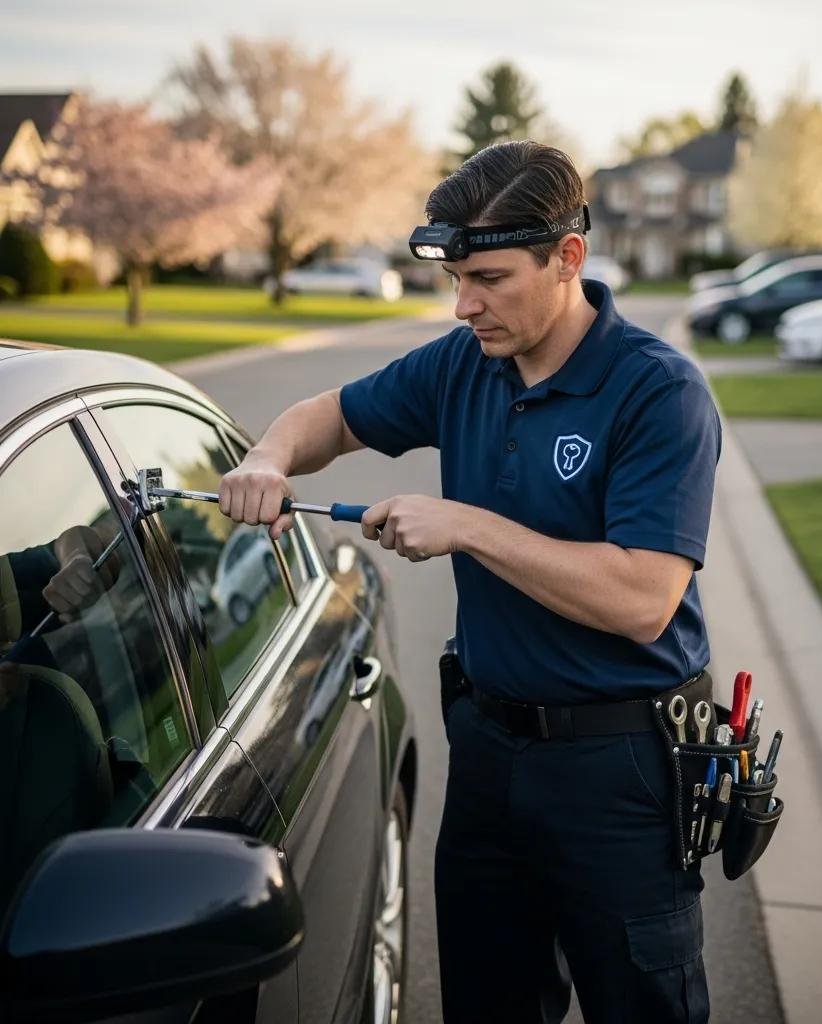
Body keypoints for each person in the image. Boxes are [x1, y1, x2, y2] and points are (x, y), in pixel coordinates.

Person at [218, 140, 722, 1024]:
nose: (464, 305)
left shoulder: (658, 391)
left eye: (488, 278)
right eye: (455, 279)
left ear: (568, 256)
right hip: (488, 752)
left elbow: (644, 600)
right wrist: (268, 455)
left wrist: (469, 526)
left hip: (621, 768)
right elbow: (330, 417)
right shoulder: (463, 364)